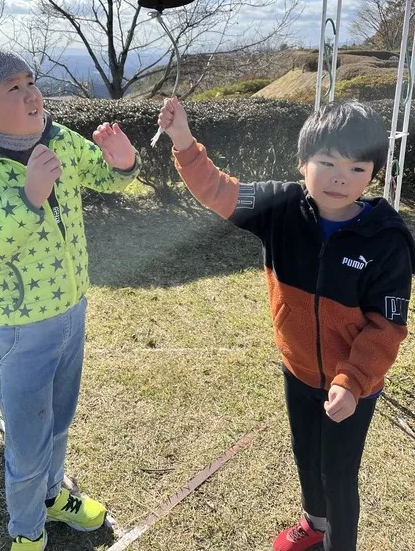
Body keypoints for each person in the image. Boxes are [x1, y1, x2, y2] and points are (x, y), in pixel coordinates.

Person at [158, 98, 414, 551]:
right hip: (296, 371)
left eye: (358, 168)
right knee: (305, 457)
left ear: (373, 173)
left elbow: (386, 326)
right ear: (303, 162)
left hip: (352, 384)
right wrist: (183, 140)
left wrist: (352, 382)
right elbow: (217, 189)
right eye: (328, 162)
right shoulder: (281, 205)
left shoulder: (387, 238)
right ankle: (314, 526)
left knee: (338, 474)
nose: (340, 177)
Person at [0, 48, 140, 551]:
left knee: (59, 414)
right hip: (18, 325)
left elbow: (103, 173)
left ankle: (53, 496)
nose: (32, 92)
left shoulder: (55, 136)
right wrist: (26, 198)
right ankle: (27, 531)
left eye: (30, 80)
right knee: (28, 439)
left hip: (72, 309)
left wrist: (123, 163)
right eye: (13, 86)